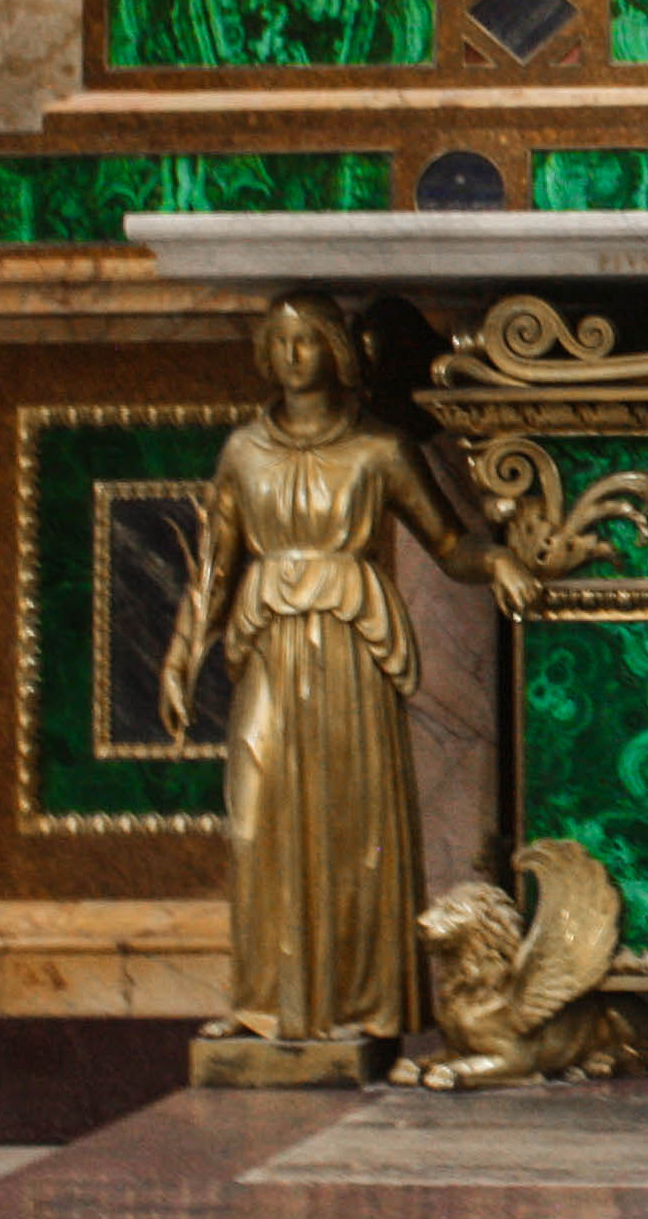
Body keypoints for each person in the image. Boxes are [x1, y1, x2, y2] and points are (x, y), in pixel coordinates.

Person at [161, 293, 537, 1044]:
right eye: (280, 342)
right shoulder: (243, 451)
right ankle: (265, 999)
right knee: (257, 815)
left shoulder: (378, 449)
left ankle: (357, 1001)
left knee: (350, 817)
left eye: (308, 340)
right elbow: (215, 565)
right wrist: (179, 657)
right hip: (270, 642)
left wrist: (495, 559)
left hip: (349, 645)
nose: (293, 356)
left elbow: (447, 542)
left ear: (337, 350)